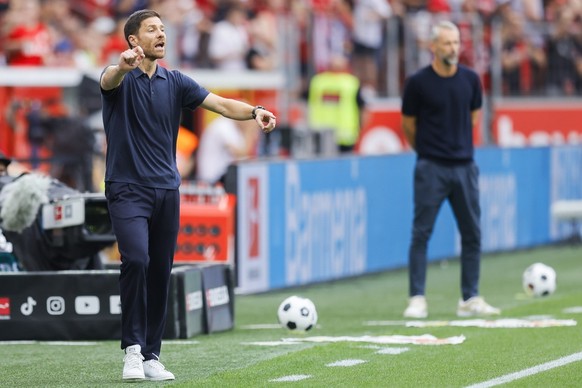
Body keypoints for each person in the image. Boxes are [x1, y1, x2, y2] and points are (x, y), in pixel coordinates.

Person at [99, 9, 276, 382]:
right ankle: (132, 351)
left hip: (167, 188)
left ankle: (151, 354)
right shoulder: (120, 78)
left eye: (163, 29)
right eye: (152, 30)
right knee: (136, 259)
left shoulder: (176, 81)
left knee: (161, 271)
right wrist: (120, 65)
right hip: (127, 188)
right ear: (134, 40)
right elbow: (108, 78)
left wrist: (255, 111)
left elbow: (223, 104)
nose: (161, 34)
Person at [400, 20, 500, 319]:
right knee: (421, 233)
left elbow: (473, 118)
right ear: (433, 47)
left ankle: (470, 297)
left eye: (456, 42)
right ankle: (417, 297)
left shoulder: (470, 80)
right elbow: (408, 126)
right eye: (447, 43)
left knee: (472, 233)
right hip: (431, 167)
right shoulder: (418, 83)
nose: (453, 48)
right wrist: (429, 152)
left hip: (464, 167)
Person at [307, 54, 367, 154]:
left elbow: (307, 102)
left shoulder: (317, 82)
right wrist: (360, 129)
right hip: (345, 135)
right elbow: (363, 108)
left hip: (322, 134)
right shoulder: (351, 83)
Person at [196, 115, 259, 185]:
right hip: (211, 180)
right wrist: (249, 131)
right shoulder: (223, 125)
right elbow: (241, 153)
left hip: (220, 179)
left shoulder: (234, 128)